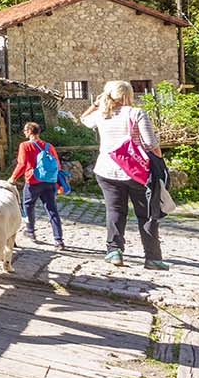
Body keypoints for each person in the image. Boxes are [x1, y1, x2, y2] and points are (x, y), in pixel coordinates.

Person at [81, 81, 168, 269]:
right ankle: (152, 258)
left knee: (115, 211)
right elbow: (150, 143)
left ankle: (114, 251)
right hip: (136, 172)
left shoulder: (101, 115)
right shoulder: (136, 113)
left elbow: (83, 119)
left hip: (106, 169)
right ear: (129, 95)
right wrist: (159, 161)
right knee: (145, 214)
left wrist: (96, 104)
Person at [9, 121, 65, 250]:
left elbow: (22, 164)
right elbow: (57, 164)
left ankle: (30, 231)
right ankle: (59, 240)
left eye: (25, 131)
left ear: (29, 131)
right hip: (49, 182)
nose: (24, 133)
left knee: (28, 206)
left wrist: (13, 178)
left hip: (33, 181)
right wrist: (57, 182)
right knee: (52, 210)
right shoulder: (48, 146)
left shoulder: (25, 146)